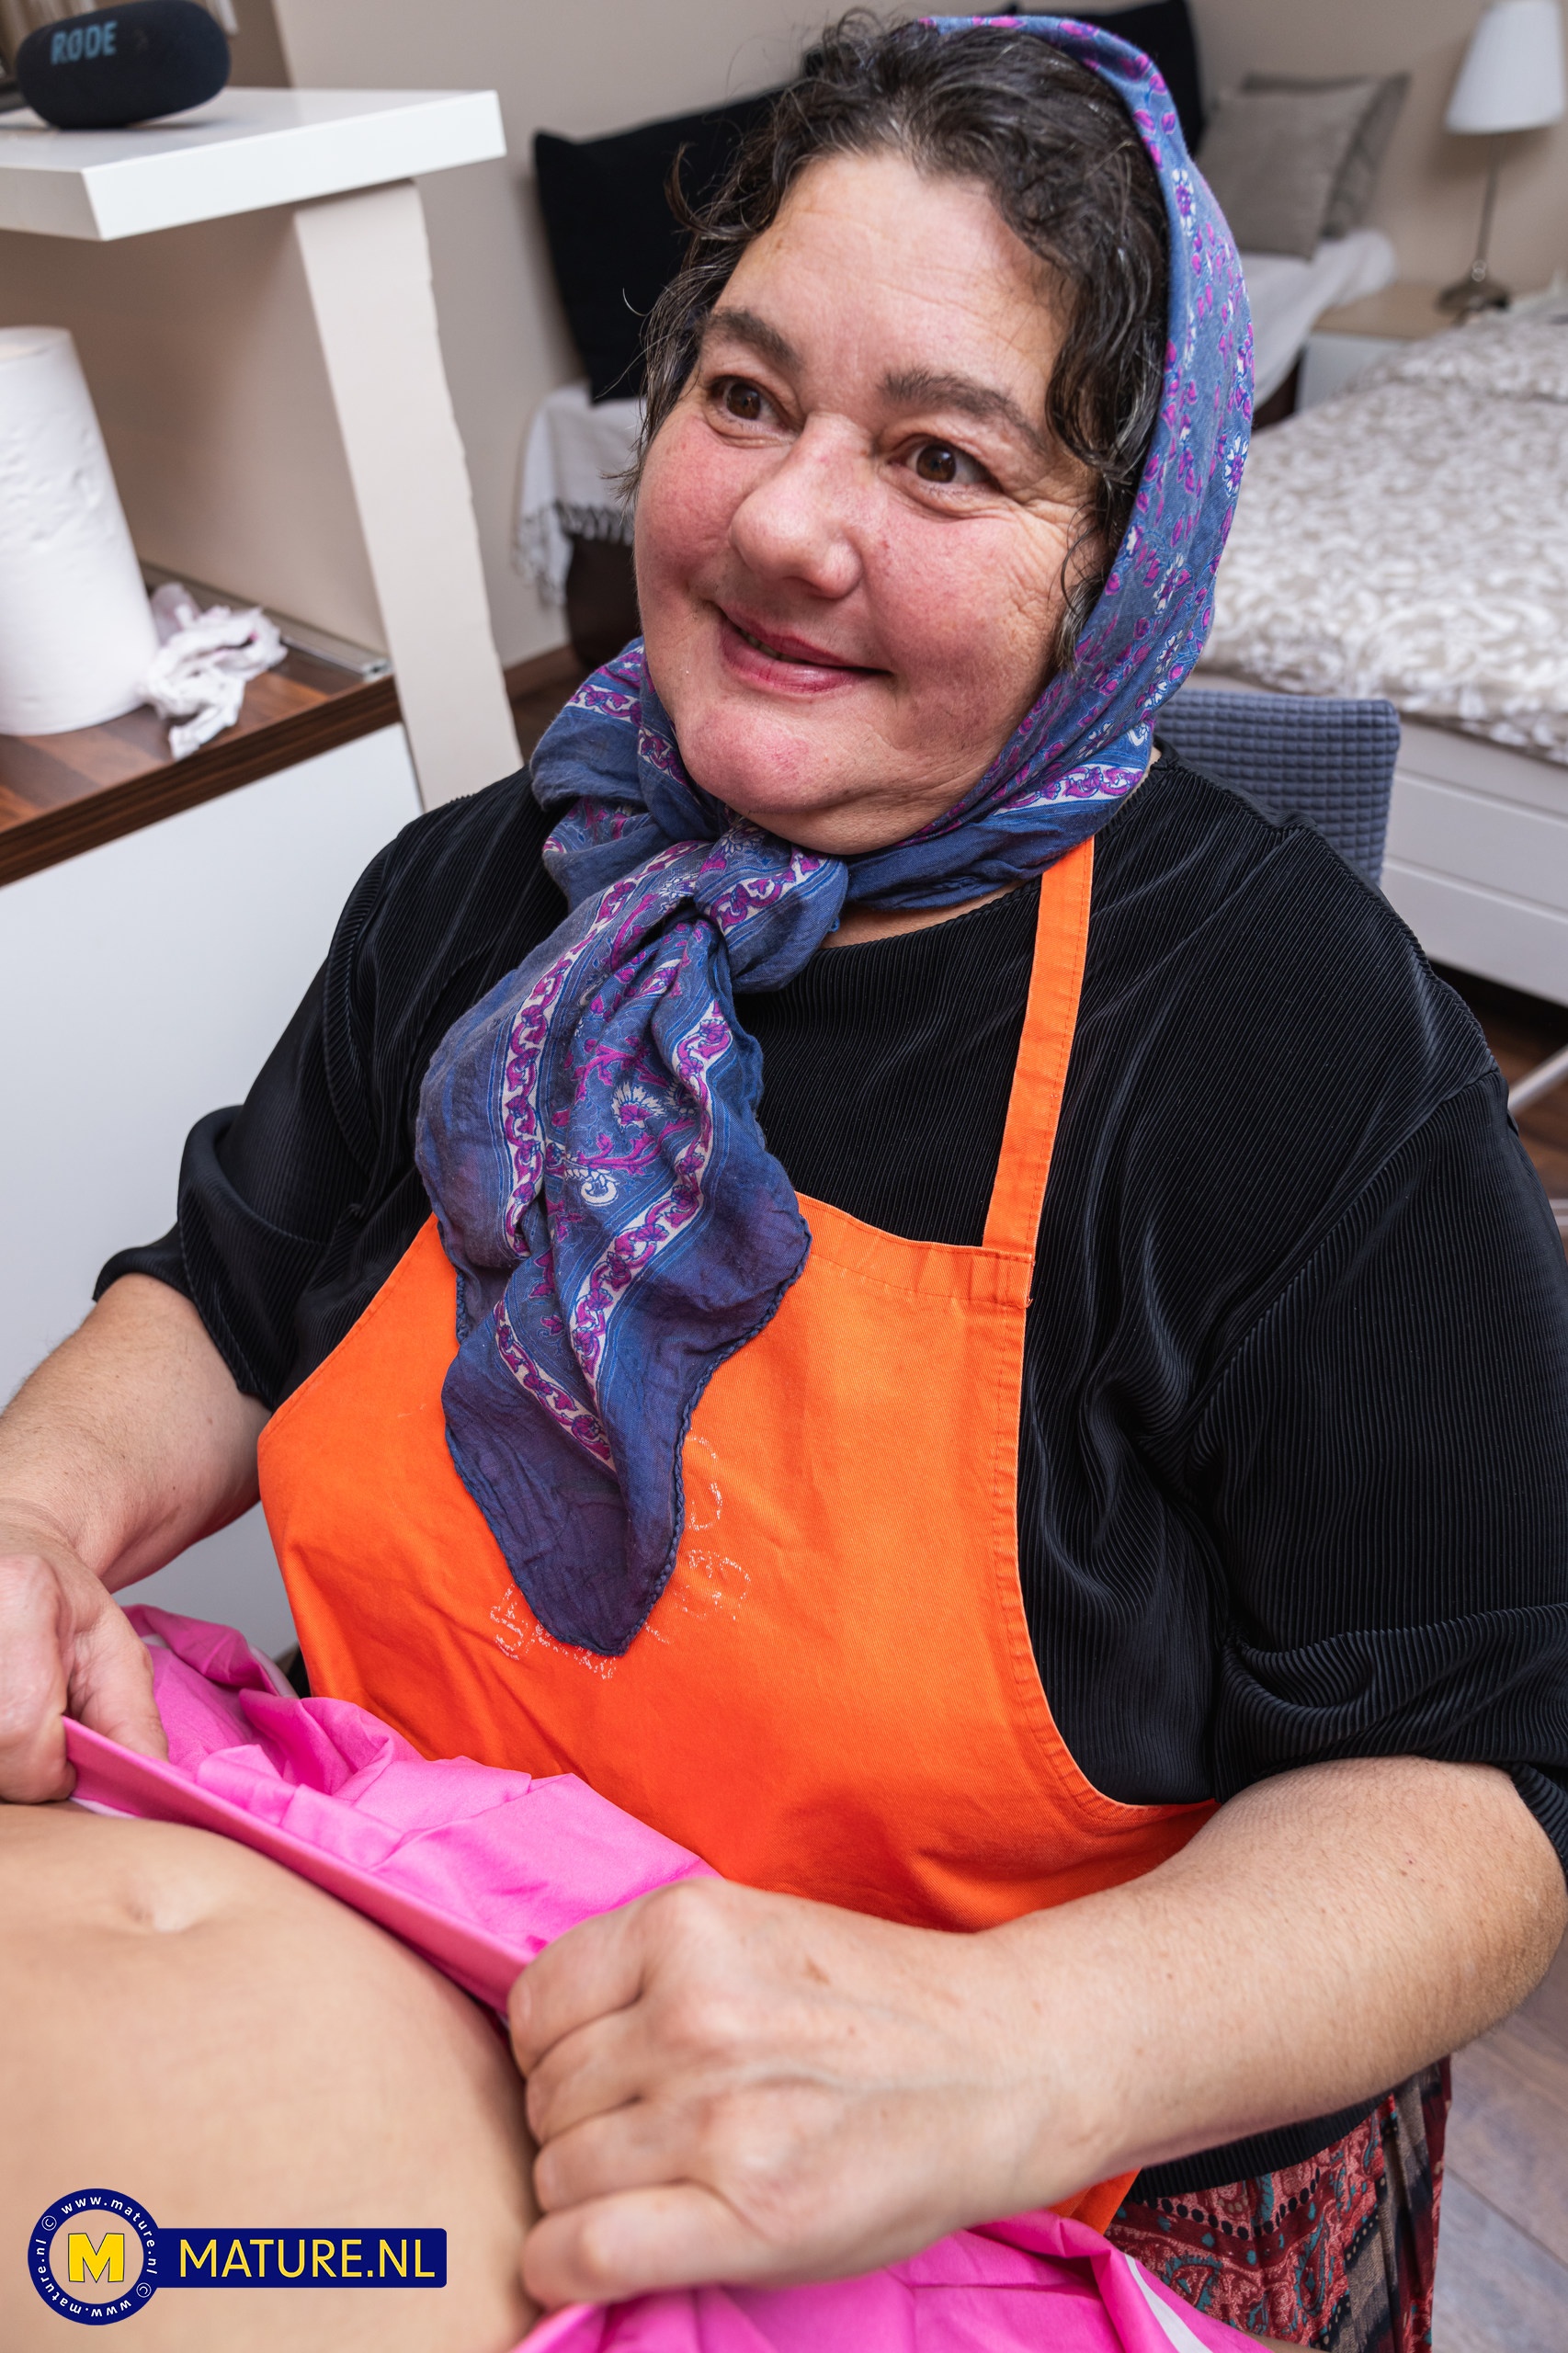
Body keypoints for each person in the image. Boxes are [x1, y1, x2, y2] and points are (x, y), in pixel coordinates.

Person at [1, 17, 1565, 2353]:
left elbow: (1488, 1770)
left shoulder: (1286, 1044)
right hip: (428, 1932)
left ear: (1118, 556)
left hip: (1016, 2169)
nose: (780, 524)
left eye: (943, 456)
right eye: (744, 396)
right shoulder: (484, 889)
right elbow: (229, 1294)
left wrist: (998, 2049)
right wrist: (36, 1511)